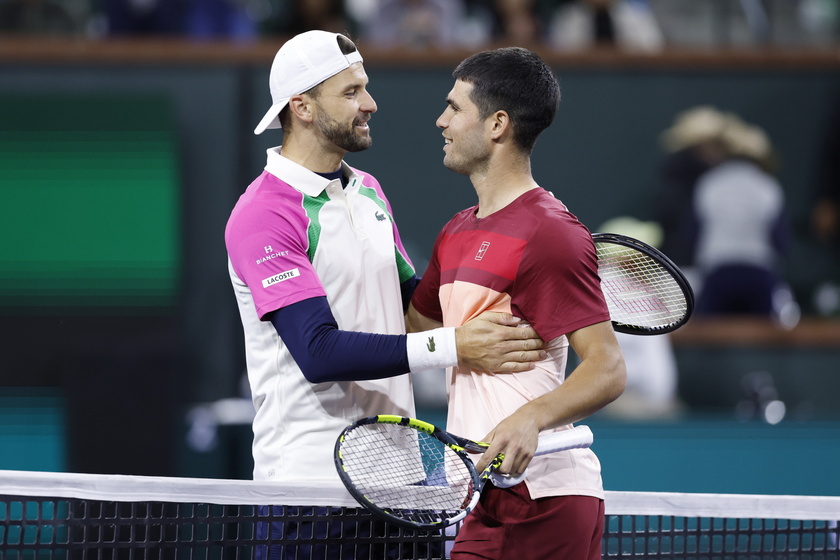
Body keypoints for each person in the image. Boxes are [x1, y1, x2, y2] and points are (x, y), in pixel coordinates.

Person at [224, 31, 545, 559]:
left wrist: (511, 282)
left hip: (403, 488)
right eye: (351, 92)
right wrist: (457, 345)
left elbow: (412, 304)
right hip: (311, 494)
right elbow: (318, 352)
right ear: (301, 107)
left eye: (365, 88)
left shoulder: (368, 190)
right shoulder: (264, 212)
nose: (370, 104)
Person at [407, 47, 626, 560]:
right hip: (481, 493)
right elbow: (417, 330)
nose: (441, 121)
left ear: (497, 124)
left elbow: (607, 368)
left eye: (455, 107)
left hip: (543, 494)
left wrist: (529, 419)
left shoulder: (550, 233)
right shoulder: (455, 231)